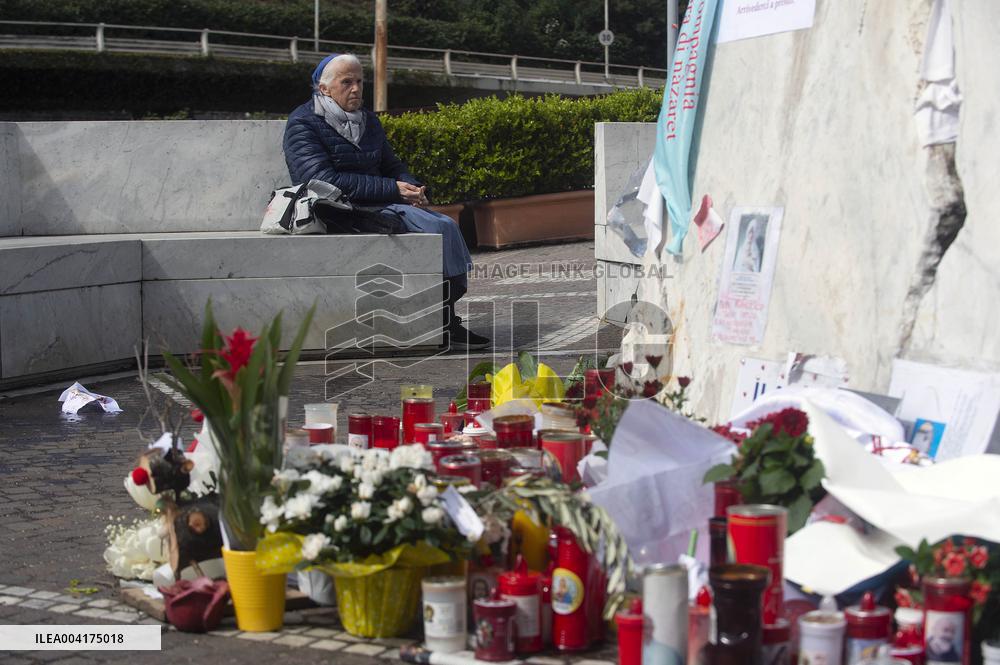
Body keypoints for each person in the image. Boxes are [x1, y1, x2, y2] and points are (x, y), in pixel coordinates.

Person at [283, 53, 488, 350]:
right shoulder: (303, 122)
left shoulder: (368, 120)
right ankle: (444, 319)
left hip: (377, 202)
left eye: (359, 81)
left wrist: (412, 187)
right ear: (324, 89)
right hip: (336, 209)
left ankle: (444, 317)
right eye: (347, 82)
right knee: (439, 228)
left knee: (444, 225)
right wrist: (394, 190)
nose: (356, 89)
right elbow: (320, 181)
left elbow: (391, 165)